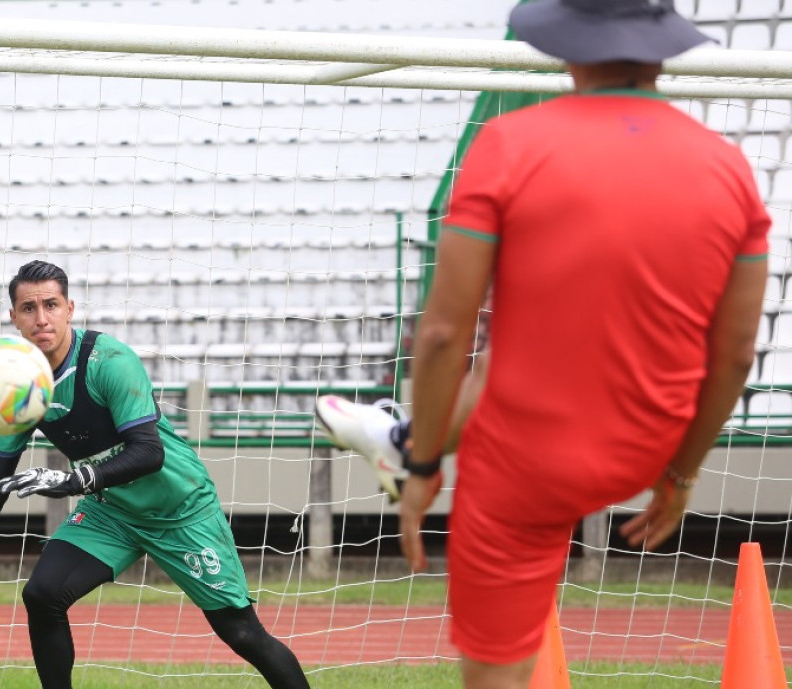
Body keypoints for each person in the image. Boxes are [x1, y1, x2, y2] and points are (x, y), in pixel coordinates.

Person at [315, 1, 770, 687]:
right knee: (518, 344)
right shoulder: (728, 166)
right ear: (662, 44)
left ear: (565, 41)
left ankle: (403, 440)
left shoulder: (507, 142)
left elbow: (443, 331)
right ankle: (402, 435)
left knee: (497, 674)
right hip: (647, 442)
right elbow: (734, 352)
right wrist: (678, 474)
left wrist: (425, 466)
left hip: (524, 463)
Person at [0, 260, 310, 689]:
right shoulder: (22, 382)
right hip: (111, 511)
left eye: (51, 304)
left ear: (69, 308)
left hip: (180, 509)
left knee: (242, 633)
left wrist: (73, 481)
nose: (41, 318)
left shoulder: (109, 360)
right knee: (42, 595)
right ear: (13, 317)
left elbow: (148, 453)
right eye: (28, 308)